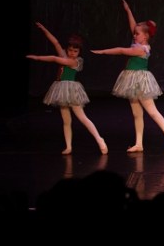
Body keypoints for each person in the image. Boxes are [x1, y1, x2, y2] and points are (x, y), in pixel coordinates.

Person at [92, 0, 164, 154]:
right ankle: (139, 144)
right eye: (134, 33)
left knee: (152, 111)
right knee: (137, 114)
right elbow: (133, 26)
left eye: (137, 34)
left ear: (145, 36)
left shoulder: (142, 49)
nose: (134, 35)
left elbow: (121, 50)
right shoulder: (138, 41)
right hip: (131, 80)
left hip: (140, 80)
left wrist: (103, 51)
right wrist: (128, 10)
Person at [27, 22, 108, 155]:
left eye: (75, 51)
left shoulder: (74, 61)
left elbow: (54, 59)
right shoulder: (65, 55)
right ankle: (68, 146)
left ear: (79, 52)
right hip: (61, 89)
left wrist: (37, 57)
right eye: (70, 50)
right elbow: (55, 42)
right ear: (67, 49)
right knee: (66, 120)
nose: (72, 53)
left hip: (71, 90)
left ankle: (100, 139)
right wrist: (44, 29)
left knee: (82, 117)